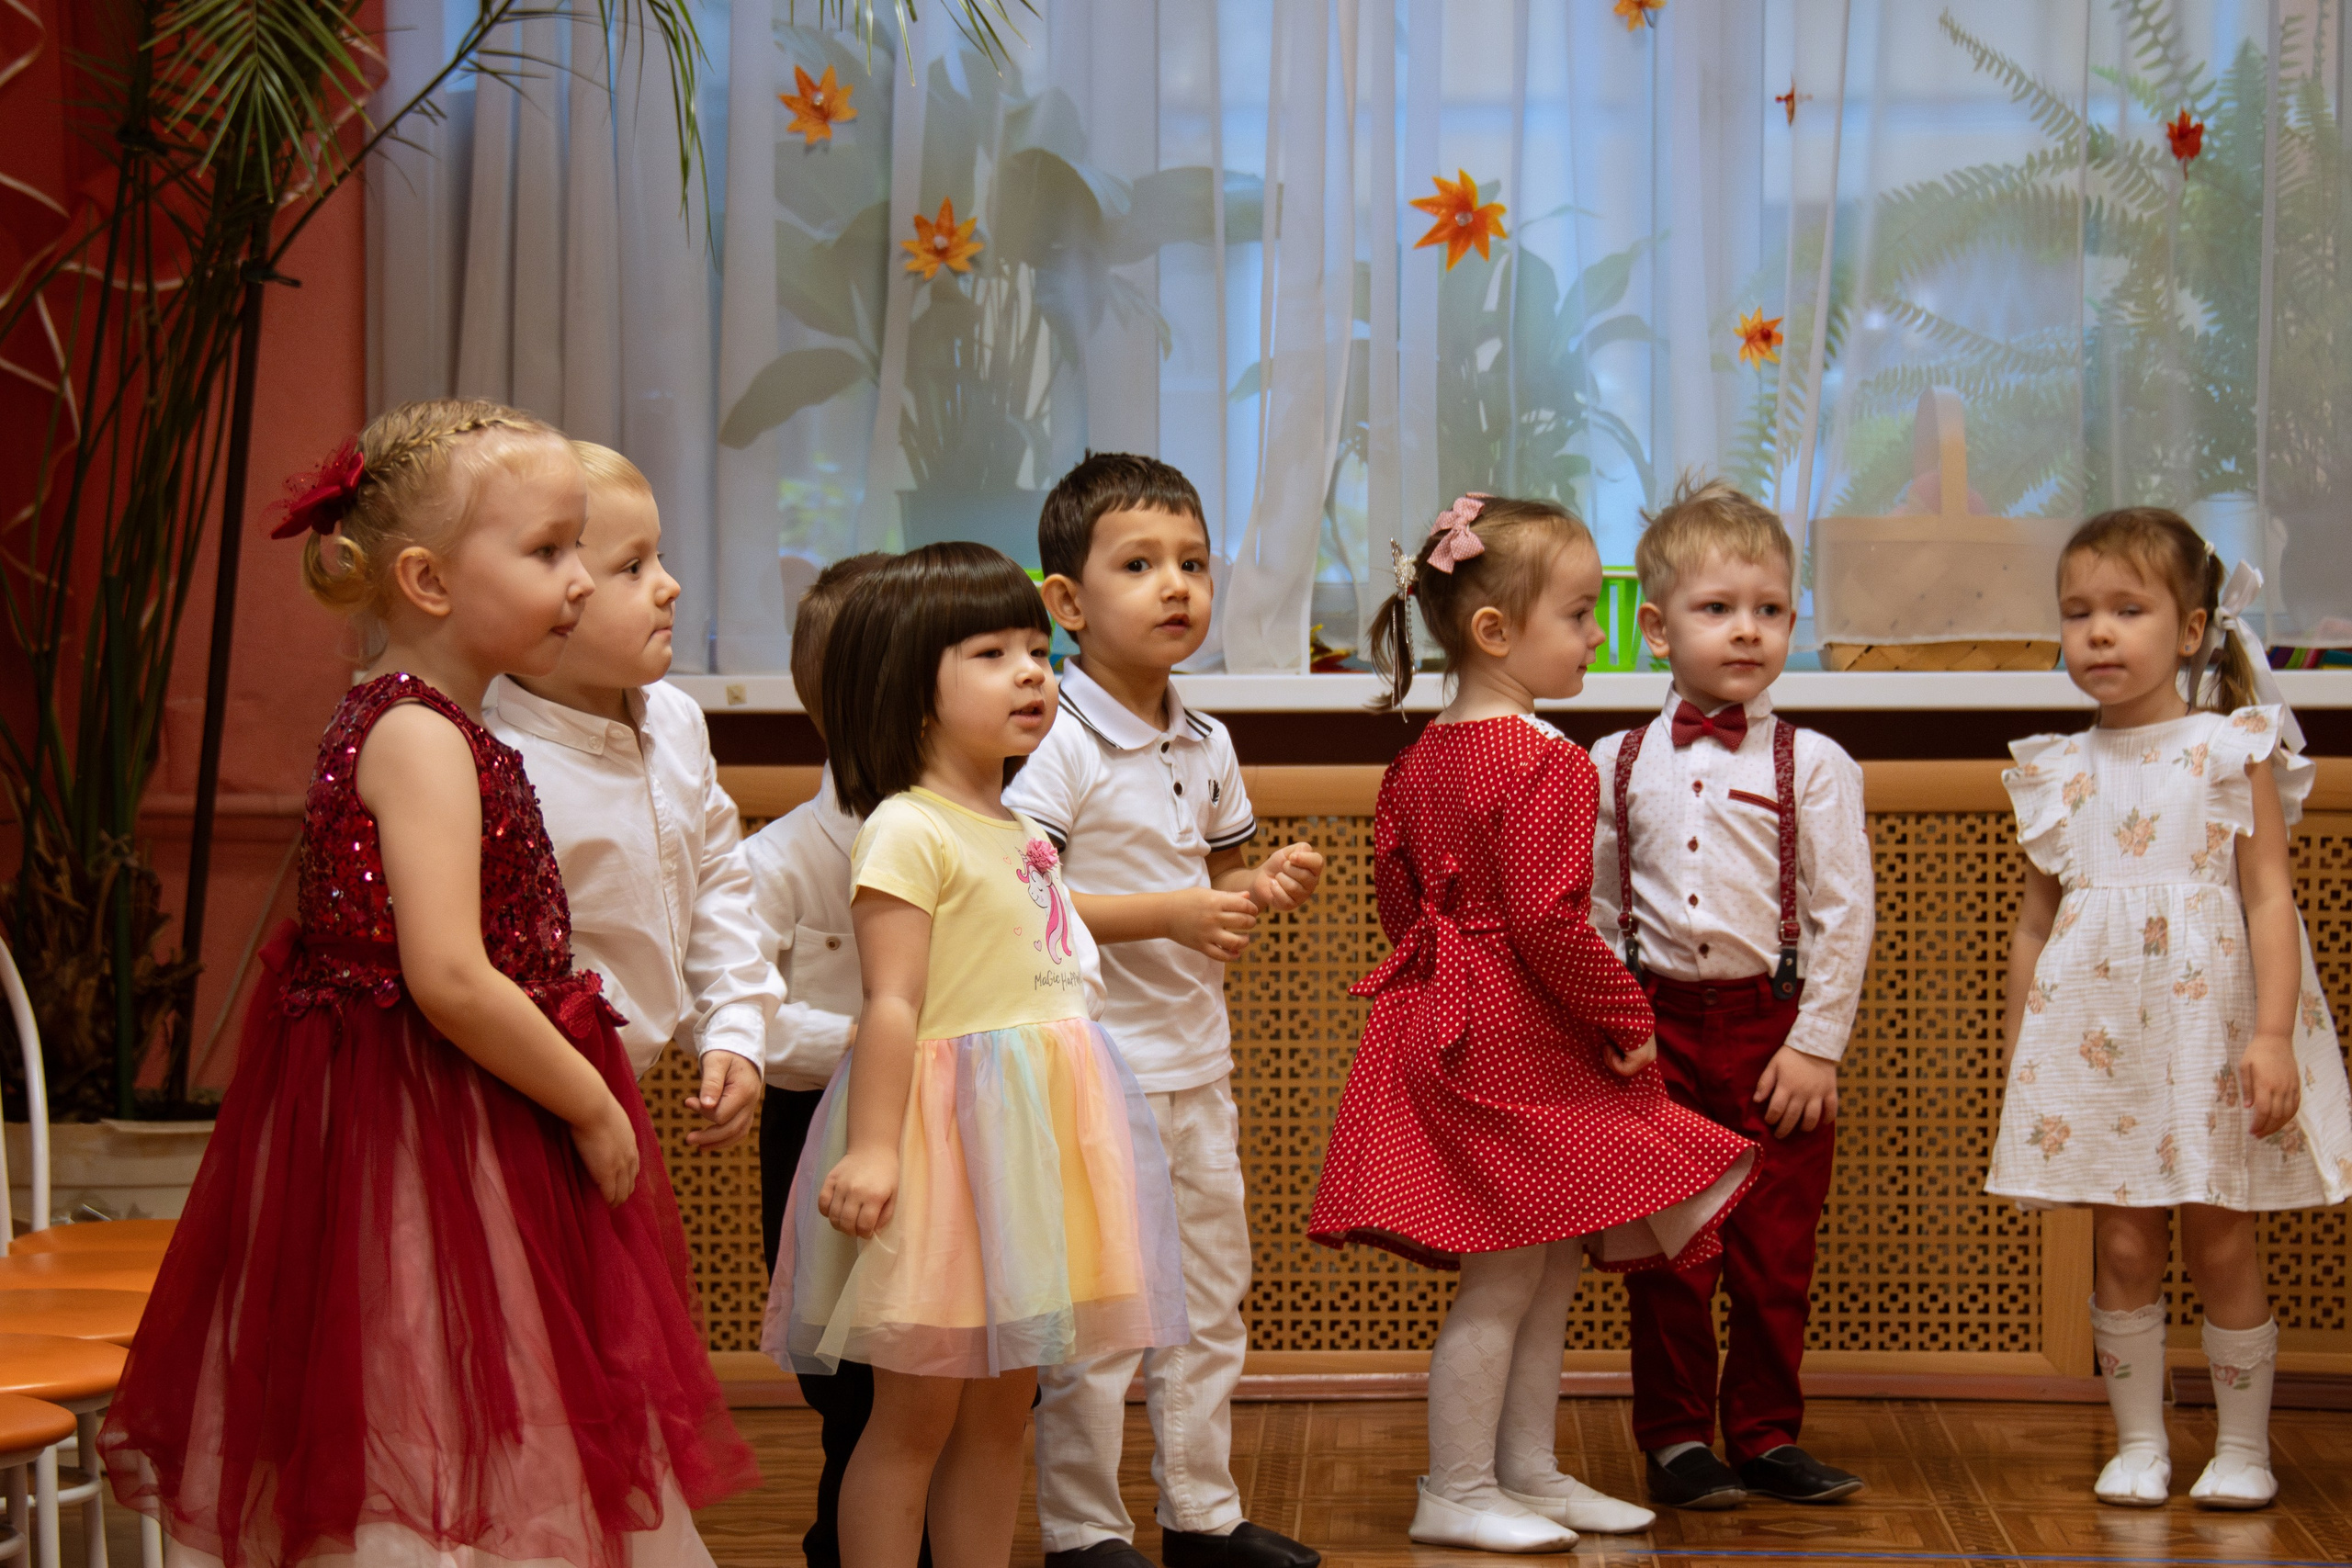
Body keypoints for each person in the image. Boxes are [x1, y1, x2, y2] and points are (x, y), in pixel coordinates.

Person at [99, 400, 757, 1566]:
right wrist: (596, 1103)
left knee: (510, 1400)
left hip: (470, 1116)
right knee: (442, 1393)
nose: (575, 580)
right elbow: (449, 974)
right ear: (429, 579)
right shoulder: (419, 736)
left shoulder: (445, 724)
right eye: (548, 551)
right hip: (433, 1126)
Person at [1307, 493, 1757, 1554]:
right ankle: (1456, 1488)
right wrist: (1624, 1013)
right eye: (1574, 615)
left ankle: (1528, 1473)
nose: (1593, 637)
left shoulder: (1417, 758)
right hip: (1514, 1036)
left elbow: (1398, 899)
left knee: (1549, 1263)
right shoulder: (1546, 758)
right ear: (1494, 632)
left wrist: (1452, 972)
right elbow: (1546, 919)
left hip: (1445, 1021)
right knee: (1508, 1272)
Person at [763, 542, 1190, 1568]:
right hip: (945, 1158)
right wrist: (871, 1152)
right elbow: (893, 1003)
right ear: (912, 692)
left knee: (1004, 1417)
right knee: (913, 1421)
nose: (1033, 673)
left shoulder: (1016, 830)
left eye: (1035, 651)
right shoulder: (908, 830)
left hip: (1026, 1161)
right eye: (991, 653)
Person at [1986, 508, 2352, 1509]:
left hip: (2210, 1040)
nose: (2098, 632)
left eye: (2126, 609)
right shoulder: (2057, 771)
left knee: (2220, 1235)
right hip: (2100, 1045)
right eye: (2077, 613)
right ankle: (2139, 1441)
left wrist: (2272, 1033)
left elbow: (2269, 895)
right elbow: (2034, 924)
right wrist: (2025, 1048)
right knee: (2121, 1241)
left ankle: (2241, 1449)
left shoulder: (2228, 749)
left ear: (2191, 630)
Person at [1007, 454, 1327, 1568]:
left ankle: (1201, 1514)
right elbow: (1021, 899)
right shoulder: (1051, 734)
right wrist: (1176, 914)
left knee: (1206, 1300)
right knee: (1099, 1316)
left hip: (1198, 1063)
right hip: (1094, 1067)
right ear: (1066, 602)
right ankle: (1085, 1532)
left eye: (1191, 562)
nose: (1175, 586)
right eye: (1139, 564)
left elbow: (1219, 885)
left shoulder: (1209, 739)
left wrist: (1257, 888)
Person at [1589, 478, 1875, 1512]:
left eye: (1768, 610)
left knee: (1771, 1254)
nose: (1746, 631)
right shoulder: (1612, 761)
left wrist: (1817, 1047)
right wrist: (1615, 1031)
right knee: (1671, 1257)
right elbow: (1591, 909)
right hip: (1654, 1036)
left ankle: (1762, 1434)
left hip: (1773, 1035)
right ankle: (1674, 1440)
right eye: (1717, 610)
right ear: (1657, 629)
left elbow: (1844, 914)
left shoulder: (1818, 764)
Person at [483, 441, 779, 1151]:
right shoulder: (493, 755)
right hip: (512, 1109)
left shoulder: (676, 720)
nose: (670, 585)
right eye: (633, 566)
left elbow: (715, 885)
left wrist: (732, 1028)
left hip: (620, 1101)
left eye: (662, 557)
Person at [739, 550, 920, 1568]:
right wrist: (857, 1037)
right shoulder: (780, 860)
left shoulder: (991, 836)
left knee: (943, 1354)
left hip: (952, 1123)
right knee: (848, 1377)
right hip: (825, 1136)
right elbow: (741, 1016)